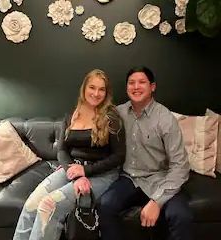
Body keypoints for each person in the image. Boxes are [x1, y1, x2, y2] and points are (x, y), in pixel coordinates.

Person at [13, 69, 125, 240]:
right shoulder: (72, 115)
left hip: (102, 174)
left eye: (101, 89)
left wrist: (86, 172)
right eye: (92, 87)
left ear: (106, 92)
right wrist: (75, 173)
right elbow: (62, 150)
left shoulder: (112, 117)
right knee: (31, 205)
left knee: (49, 205)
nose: (96, 93)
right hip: (72, 170)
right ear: (84, 88)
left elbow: (119, 156)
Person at [100, 66, 192, 240]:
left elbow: (180, 166)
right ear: (126, 87)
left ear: (152, 87)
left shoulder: (165, 118)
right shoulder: (118, 113)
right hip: (129, 179)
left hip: (160, 179)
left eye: (142, 82)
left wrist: (157, 201)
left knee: (181, 216)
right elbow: (93, 123)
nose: (136, 87)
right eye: (131, 83)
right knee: (105, 205)